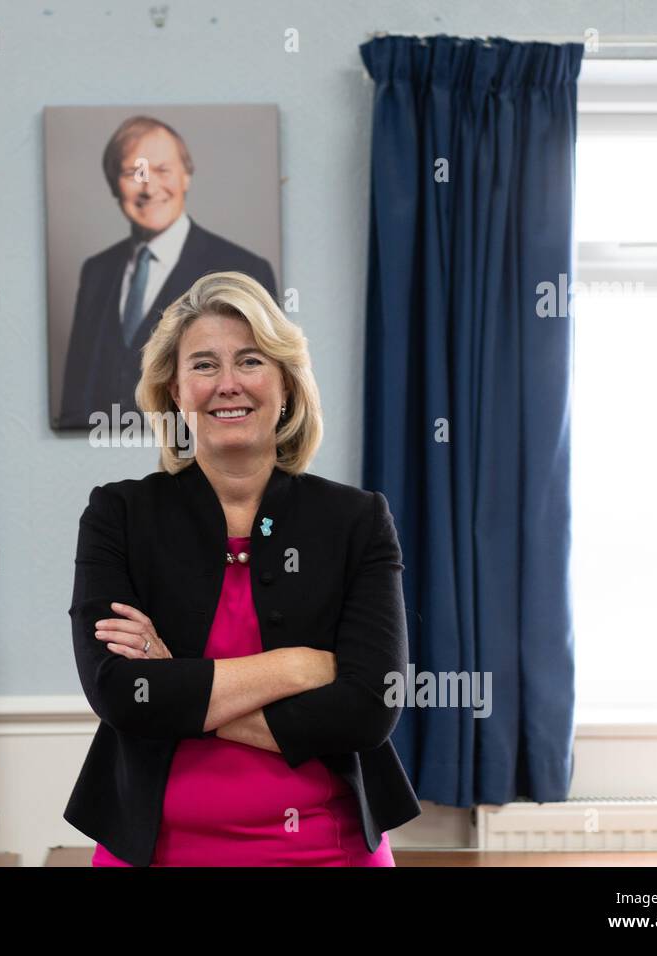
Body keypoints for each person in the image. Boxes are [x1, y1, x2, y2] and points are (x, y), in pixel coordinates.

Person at [63, 270, 421, 866]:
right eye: (203, 365)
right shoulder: (118, 513)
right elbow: (121, 694)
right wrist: (297, 667)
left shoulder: (355, 519)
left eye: (250, 361)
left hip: (326, 851)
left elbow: (368, 709)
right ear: (175, 392)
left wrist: (178, 678)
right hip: (156, 852)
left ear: (285, 384)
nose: (227, 384)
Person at [55, 116, 278, 429]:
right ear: (112, 183)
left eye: (162, 170)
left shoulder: (244, 269)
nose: (149, 187)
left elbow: (265, 395)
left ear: (186, 177)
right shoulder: (97, 271)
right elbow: (76, 396)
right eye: (134, 173)